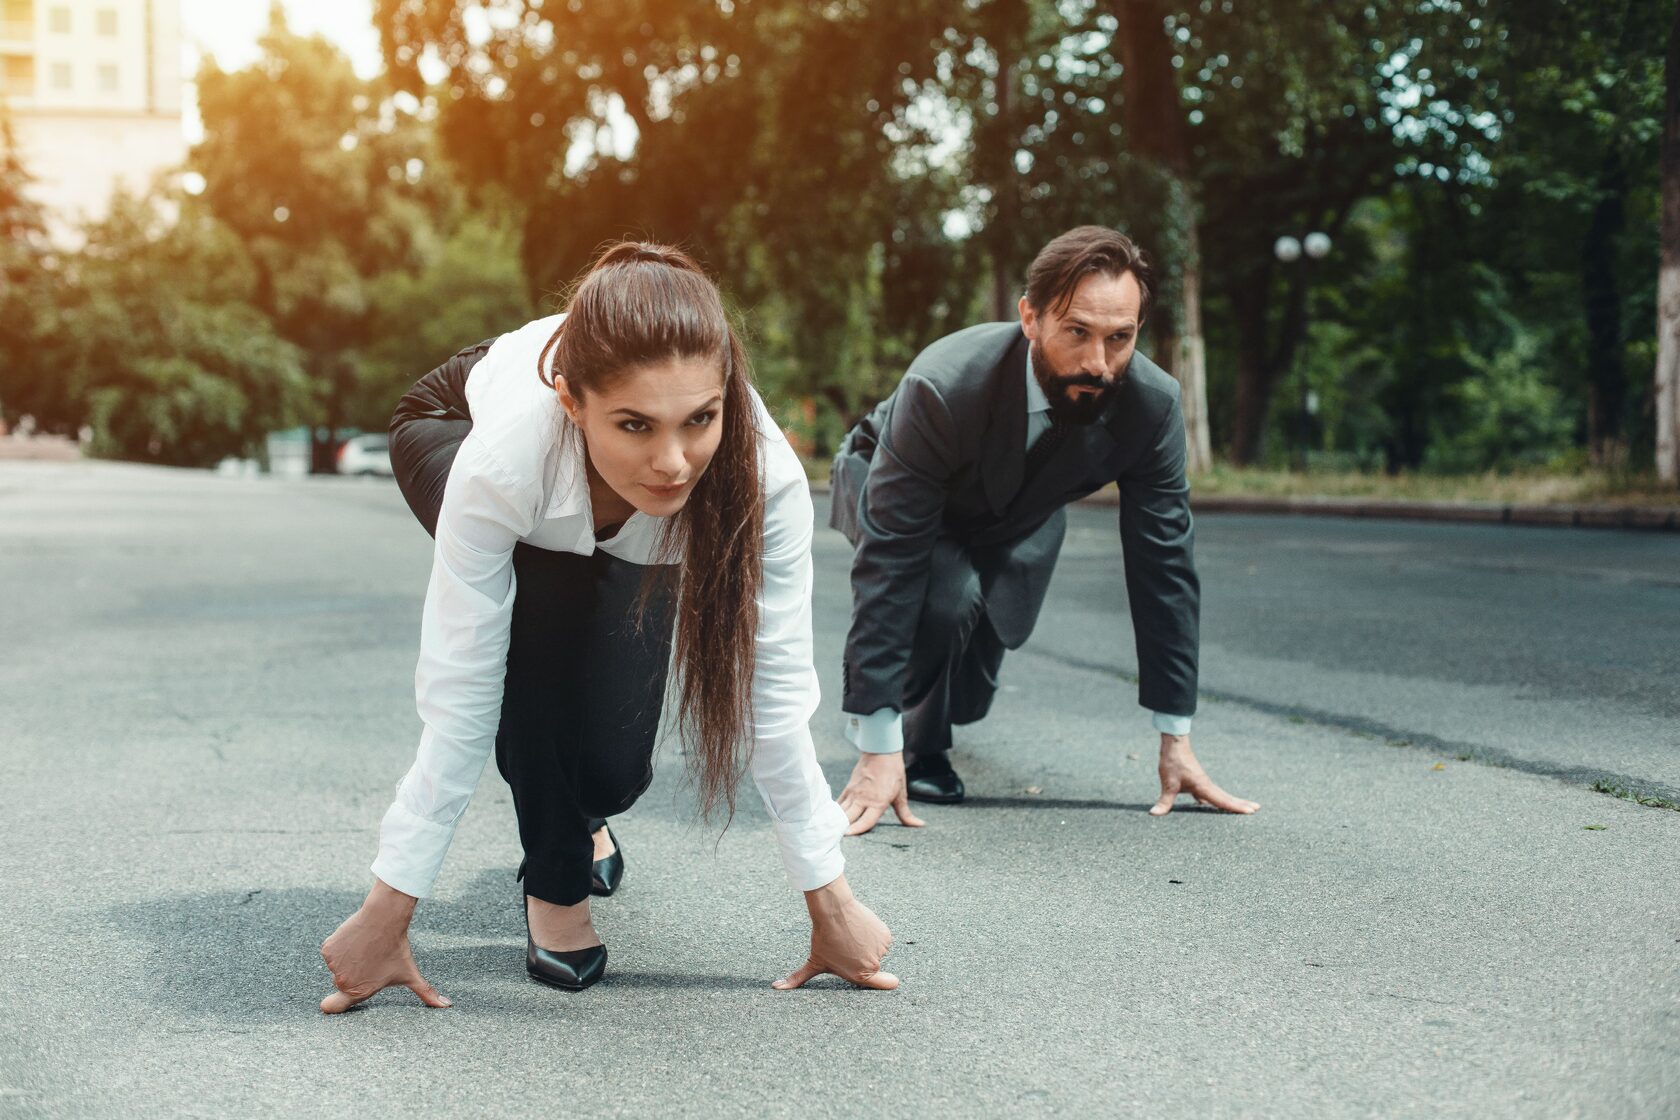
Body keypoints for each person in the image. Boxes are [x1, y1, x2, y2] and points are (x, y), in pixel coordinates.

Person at [319, 242, 896, 1007]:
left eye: (700, 419)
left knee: (612, 772)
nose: (674, 462)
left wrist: (832, 902)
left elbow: (776, 694)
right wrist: (388, 909)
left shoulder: (764, 477)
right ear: (573, 403)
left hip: (589, 485)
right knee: (542, 620)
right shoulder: (502, 466)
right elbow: (461, 694)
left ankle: (581, 813)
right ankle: (556, 889)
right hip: (450, 422)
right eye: (635, 425)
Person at [828, 225, 1259, 833]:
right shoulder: (944, 385)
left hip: (1017, 509)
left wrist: (1176, 737)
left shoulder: (1152, 405)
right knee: (944, 596)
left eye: (1119, 338)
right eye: (1077, 331)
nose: (1098, 363)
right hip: (888, 478)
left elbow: (1165, 567)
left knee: (969, 691)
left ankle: (933, 713)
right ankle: (914, 749)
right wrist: (877, 745)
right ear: (1030, 317)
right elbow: (891, 564)